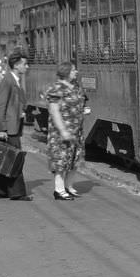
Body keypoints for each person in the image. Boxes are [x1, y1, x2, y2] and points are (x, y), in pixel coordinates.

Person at [0, 47, 31, 200]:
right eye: (24, 64)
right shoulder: (8, 81)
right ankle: (17, 193)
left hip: (13, 126)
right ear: (16, 65)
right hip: (9, 129)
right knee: (15, 159)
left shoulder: (14, 80)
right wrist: (2, 129)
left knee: (5, 158)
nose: (26, 66)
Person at [45, 60, 87, 200]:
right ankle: (59, 190)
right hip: (61, 133)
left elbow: (79, 103)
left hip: (76, 131)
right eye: (74, 70)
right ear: (67, 72)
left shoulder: (75, 87)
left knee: (74, 160)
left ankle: (69, 187)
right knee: (61, 161)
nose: (76, 72)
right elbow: (54, 111)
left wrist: (83, 110)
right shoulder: (57, 89)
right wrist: (63, 131)